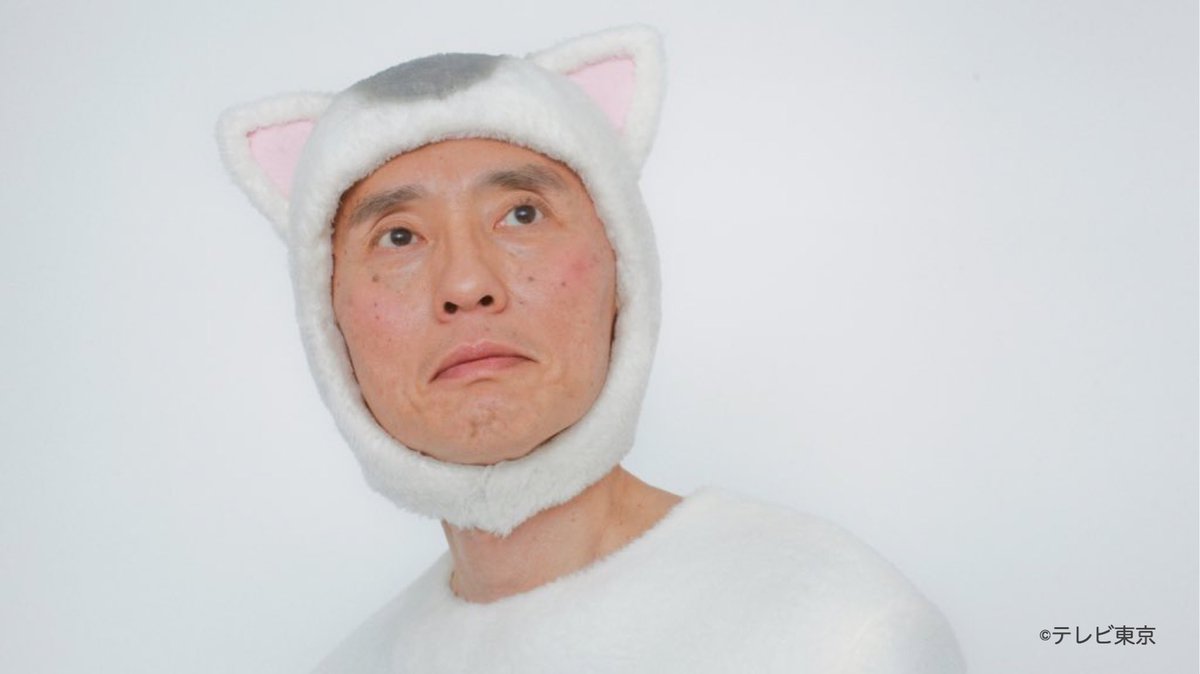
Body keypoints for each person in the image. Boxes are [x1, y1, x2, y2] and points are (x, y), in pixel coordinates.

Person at [217, 24, 967, 673]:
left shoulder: (837, 635)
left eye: (521, 214)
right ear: (329, 316)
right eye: (399, 236)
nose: (467, 284)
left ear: (621, 267)